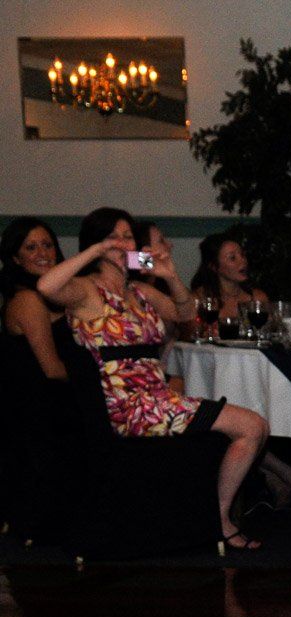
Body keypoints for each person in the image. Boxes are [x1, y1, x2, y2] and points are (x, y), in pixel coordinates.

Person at [37, 206, 270, 549]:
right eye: (112, 236)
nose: (122, 242)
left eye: (127, 236)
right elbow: (46, 285)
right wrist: (97, 251)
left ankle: (214, 518)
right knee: (251, 426)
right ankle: (220, 521)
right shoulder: (85, 290)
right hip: (127, 406)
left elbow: (188, 314)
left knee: (256, 426)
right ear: (96, 244)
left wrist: (169, 274)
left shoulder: (140, 292)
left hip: (157, 398)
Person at [2, 217, 69, 381]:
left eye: (47, 245)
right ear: (16, 258)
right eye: (31, 248)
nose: (42, 253)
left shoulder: (67, 290)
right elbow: (52, 370)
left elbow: (126, 262)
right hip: (46, 399)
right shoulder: (27, 299)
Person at [189, 232, 271, 321]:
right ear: (214, 267)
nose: (243, 261)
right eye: (232, 258)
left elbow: (270, 330)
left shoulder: (256, 298)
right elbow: (190, 332)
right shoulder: (199, 299)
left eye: (242, 255)